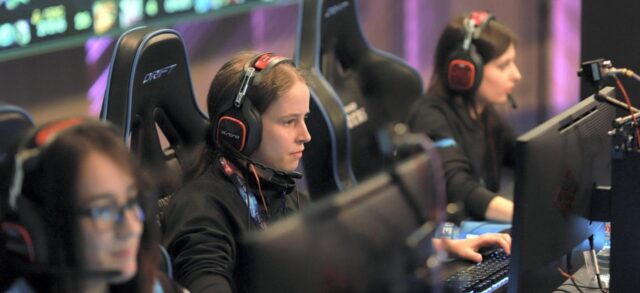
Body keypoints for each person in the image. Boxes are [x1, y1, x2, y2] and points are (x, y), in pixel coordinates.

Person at [1, 118, 184, 293]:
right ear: (44, 230)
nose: (131, 228)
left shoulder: (155, 287)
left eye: (132, 201)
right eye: (104, 211)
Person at [407, 11, 521, 222]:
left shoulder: (485, 113)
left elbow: (527, 157)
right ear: (466, 71)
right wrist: (526, 217)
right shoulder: (430, 116)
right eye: (504, 65)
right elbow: (457, 187)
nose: (516, 75)